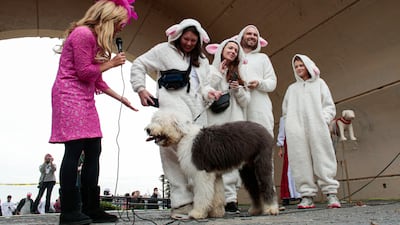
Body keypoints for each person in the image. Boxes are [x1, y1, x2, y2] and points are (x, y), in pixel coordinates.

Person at [49, 0, 138, 224]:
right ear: (109, 19)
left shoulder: (93, 39)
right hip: (69, 96)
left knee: (93, 149)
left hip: (84, 97)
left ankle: (91, 208)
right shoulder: (82, 34)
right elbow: (84, 72)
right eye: (121, 23)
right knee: (74, 150)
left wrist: (122, 98)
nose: (122, 28)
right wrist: (112, 63)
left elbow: (95, 79)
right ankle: (69, 211)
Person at [130, 18, 221, 219]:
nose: (188, 43)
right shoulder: (163, 51)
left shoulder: (203, 61)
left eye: (193, 40)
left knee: (199, 161)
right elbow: (139, 64)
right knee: (172, 158)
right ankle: (181, 203)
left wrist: (210, 93)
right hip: (171, 114)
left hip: (197, 115)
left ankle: (203, 203)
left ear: (198, 41)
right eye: (186, 39)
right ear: (178, 35)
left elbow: (203, 86)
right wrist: (140, 88)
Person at [282, 54, 341, 209]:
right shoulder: (291, 89)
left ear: (308, 65)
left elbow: (329, 106)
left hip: (318, 127)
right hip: (296, 130)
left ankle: (331, 194)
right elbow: (285, 112)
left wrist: (323, 119)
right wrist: (290, 126)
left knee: (323, 156)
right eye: (296, 66)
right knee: (300, 160)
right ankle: (306, 196)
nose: (299, 68)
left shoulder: (320, 84)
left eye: (301, 65)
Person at [205, 38, 250, 214]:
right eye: (229, 48)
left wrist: (238, 89)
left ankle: (231, 199)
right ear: (221, 50)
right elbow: (204, 92)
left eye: (235, 50)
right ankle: (214, 200)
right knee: (214, 163)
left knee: (232, 162)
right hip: (214, 122)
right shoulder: (209, 70)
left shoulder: (239, 74)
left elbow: (246, 102)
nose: (232, 51)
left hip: (234, 124)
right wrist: (218, 75)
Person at [236, 25, 277, 136]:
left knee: (262, 141)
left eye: (255, 35)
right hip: (238, 107)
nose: (252, 36)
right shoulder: (234, 57)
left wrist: (259, 83)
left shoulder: (262, 58)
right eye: (249, 34)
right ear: (241, 36)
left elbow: (272, 83)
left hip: (259, 108)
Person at [276, 116, 301, 206]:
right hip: (289, 144)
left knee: (301, 168)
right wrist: (281, 147)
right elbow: (282, 132)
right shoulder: (285, 118)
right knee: (288, 169)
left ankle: (300, 194)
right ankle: (287, 195)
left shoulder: (299, 114)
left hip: (300, 143)